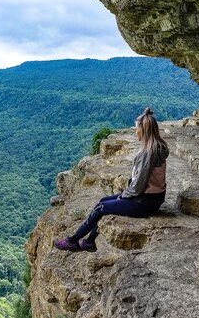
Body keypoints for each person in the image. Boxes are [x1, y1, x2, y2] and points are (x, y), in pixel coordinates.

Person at [53, 107, 169, 252]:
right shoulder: (157, 148)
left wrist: (124, 195)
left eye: (137, 128)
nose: (135, 131)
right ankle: (89, 241)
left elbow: (139, 184)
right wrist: (126, 194)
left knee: (102, 208)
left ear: (143, 130)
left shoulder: (148, 153)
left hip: (144, 202)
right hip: (150, 198)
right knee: (102, 201)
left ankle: (73, 241)